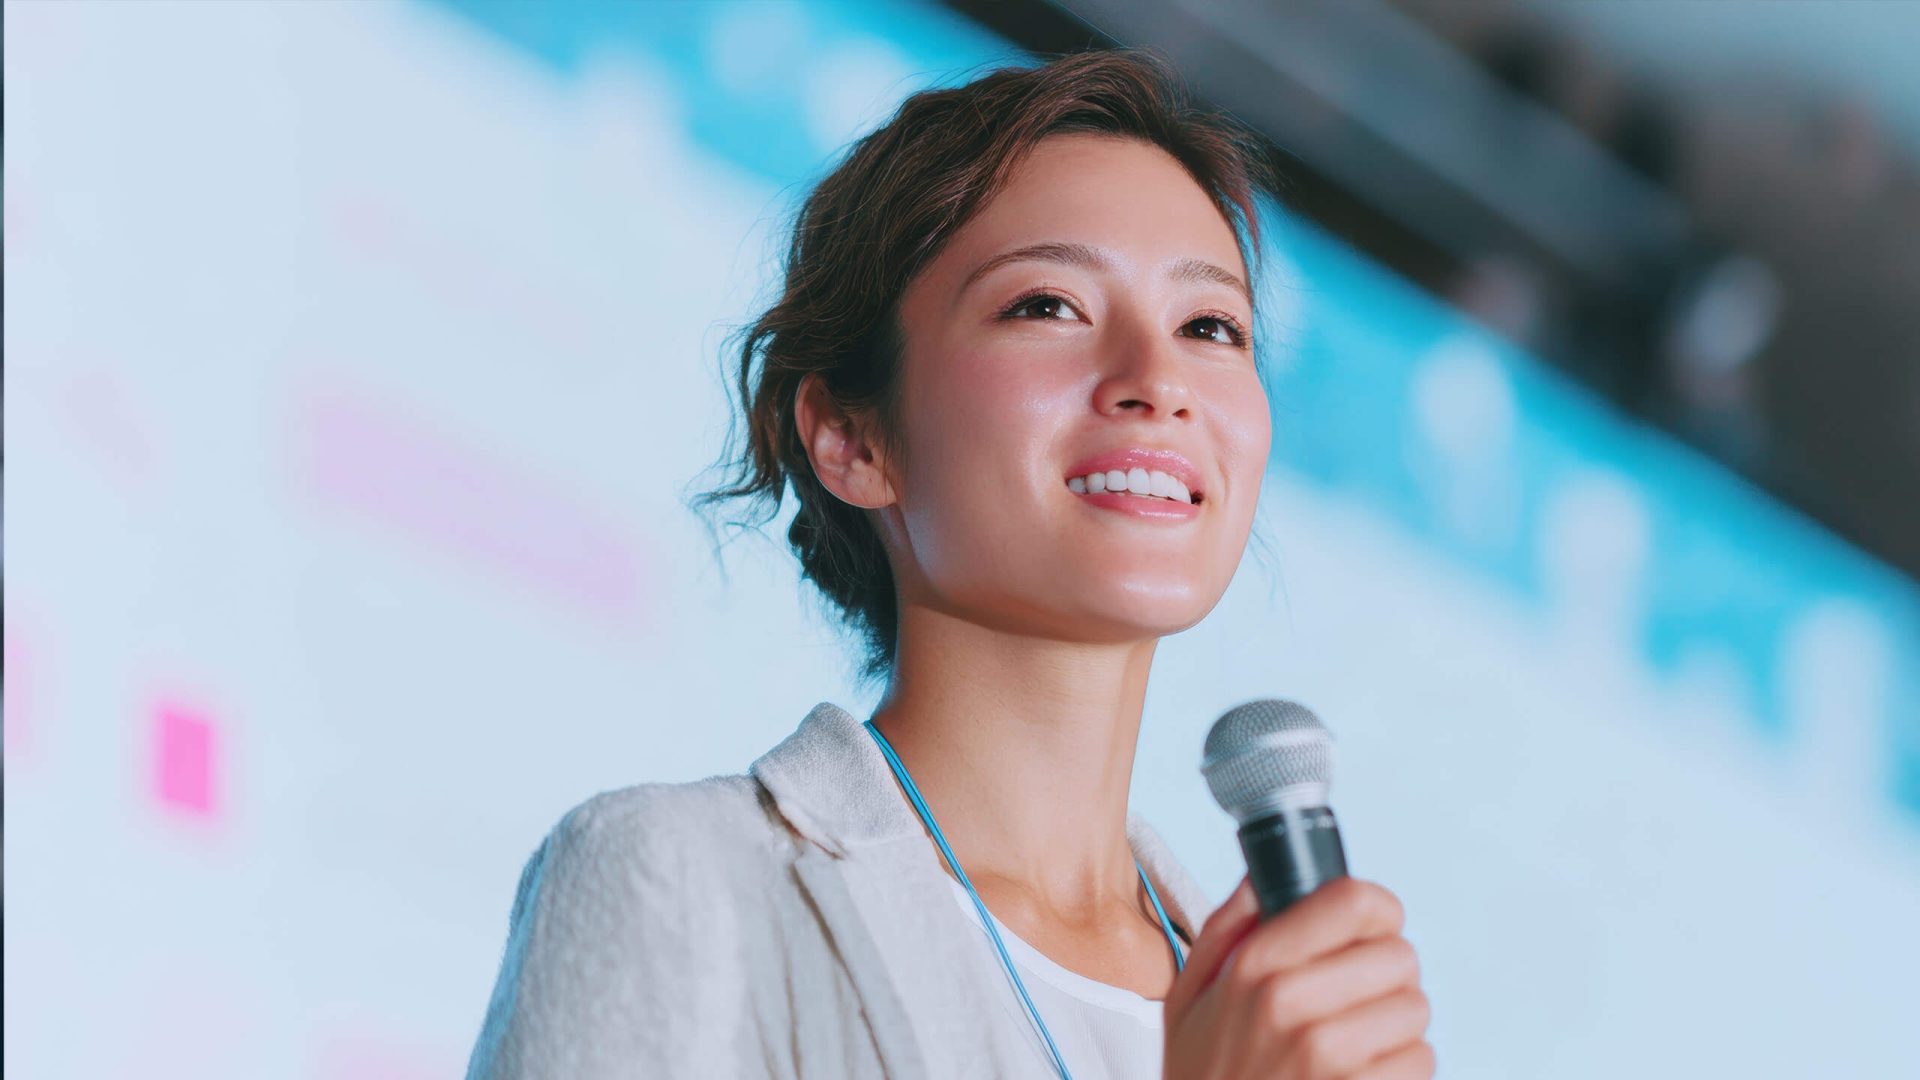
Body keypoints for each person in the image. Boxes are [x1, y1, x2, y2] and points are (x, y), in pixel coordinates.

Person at [464, 48, 1432, 1080]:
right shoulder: (681, 879)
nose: (1159, 381)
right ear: (852, 438)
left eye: (1210, 326)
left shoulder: (1280, 1003)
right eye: (1047, 306)